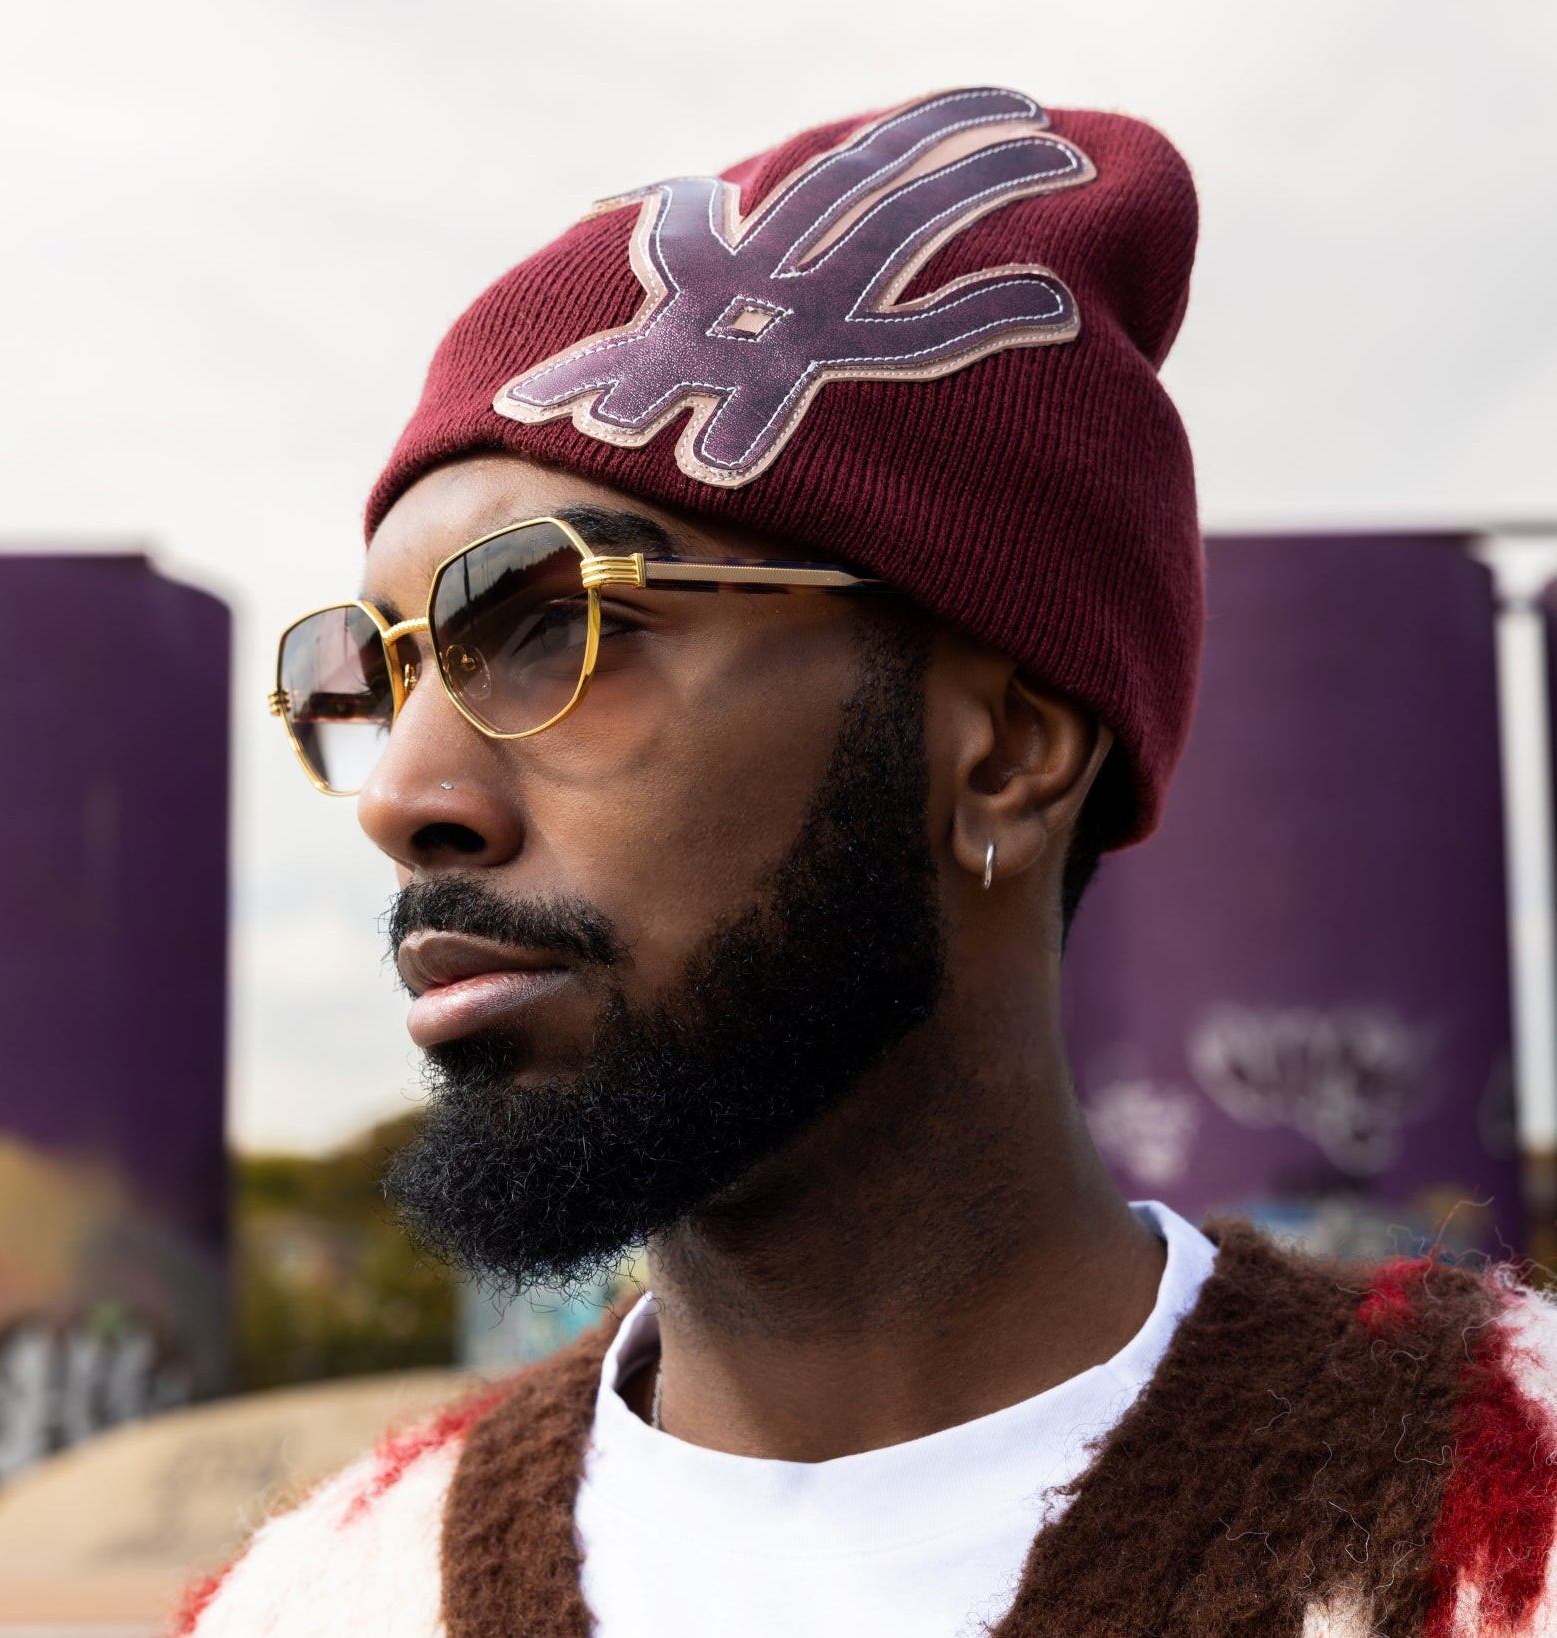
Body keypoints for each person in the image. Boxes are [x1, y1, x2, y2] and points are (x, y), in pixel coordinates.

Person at [185, 86, 1557, 1637]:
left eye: (557, 623)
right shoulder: (322, 1599)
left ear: (1006, 748)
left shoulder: (1502, 1536)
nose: (407, 792)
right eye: (376, 674)